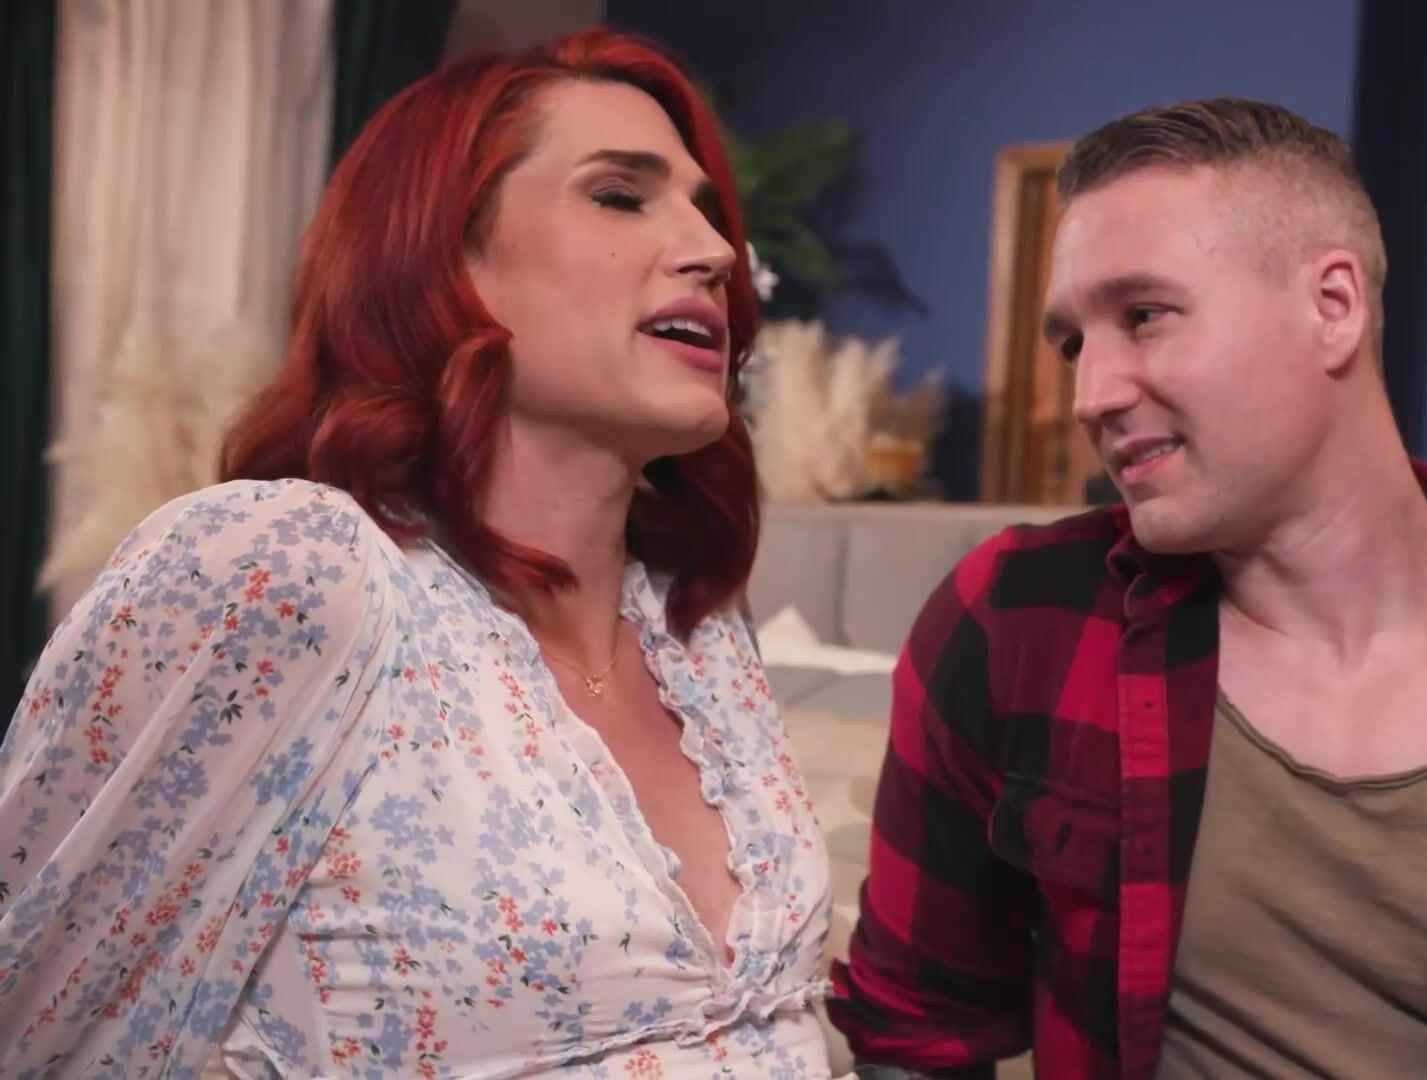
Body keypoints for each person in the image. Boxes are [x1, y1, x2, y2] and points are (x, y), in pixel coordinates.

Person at [829, 98, 1427, 1079]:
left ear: (1332, 307)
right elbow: (915, 1034)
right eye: (1073, 343)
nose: (1092, 395)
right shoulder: (1015, 623)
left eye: (1144, 316)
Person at [0, 28, 841, 1078]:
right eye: (620, 197)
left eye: (708, 211)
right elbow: (33, 1018)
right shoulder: (291, 569)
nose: (713, 251)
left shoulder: (697, 626)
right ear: (444, 262)